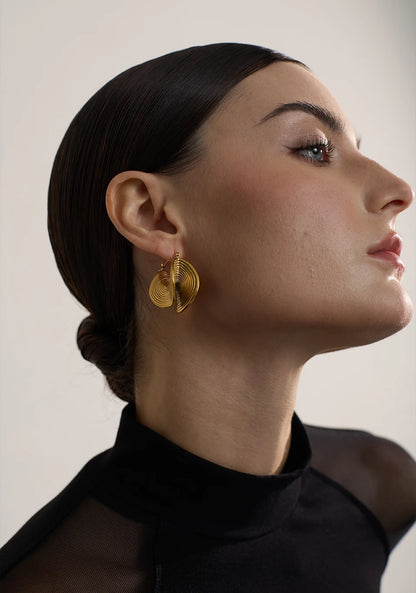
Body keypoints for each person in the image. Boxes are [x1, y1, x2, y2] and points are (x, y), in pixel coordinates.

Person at [1, 42, 415, 592]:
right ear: (153, 215)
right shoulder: (55, 581)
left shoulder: (380, 486)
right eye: (315, 149)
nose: (399, 191)